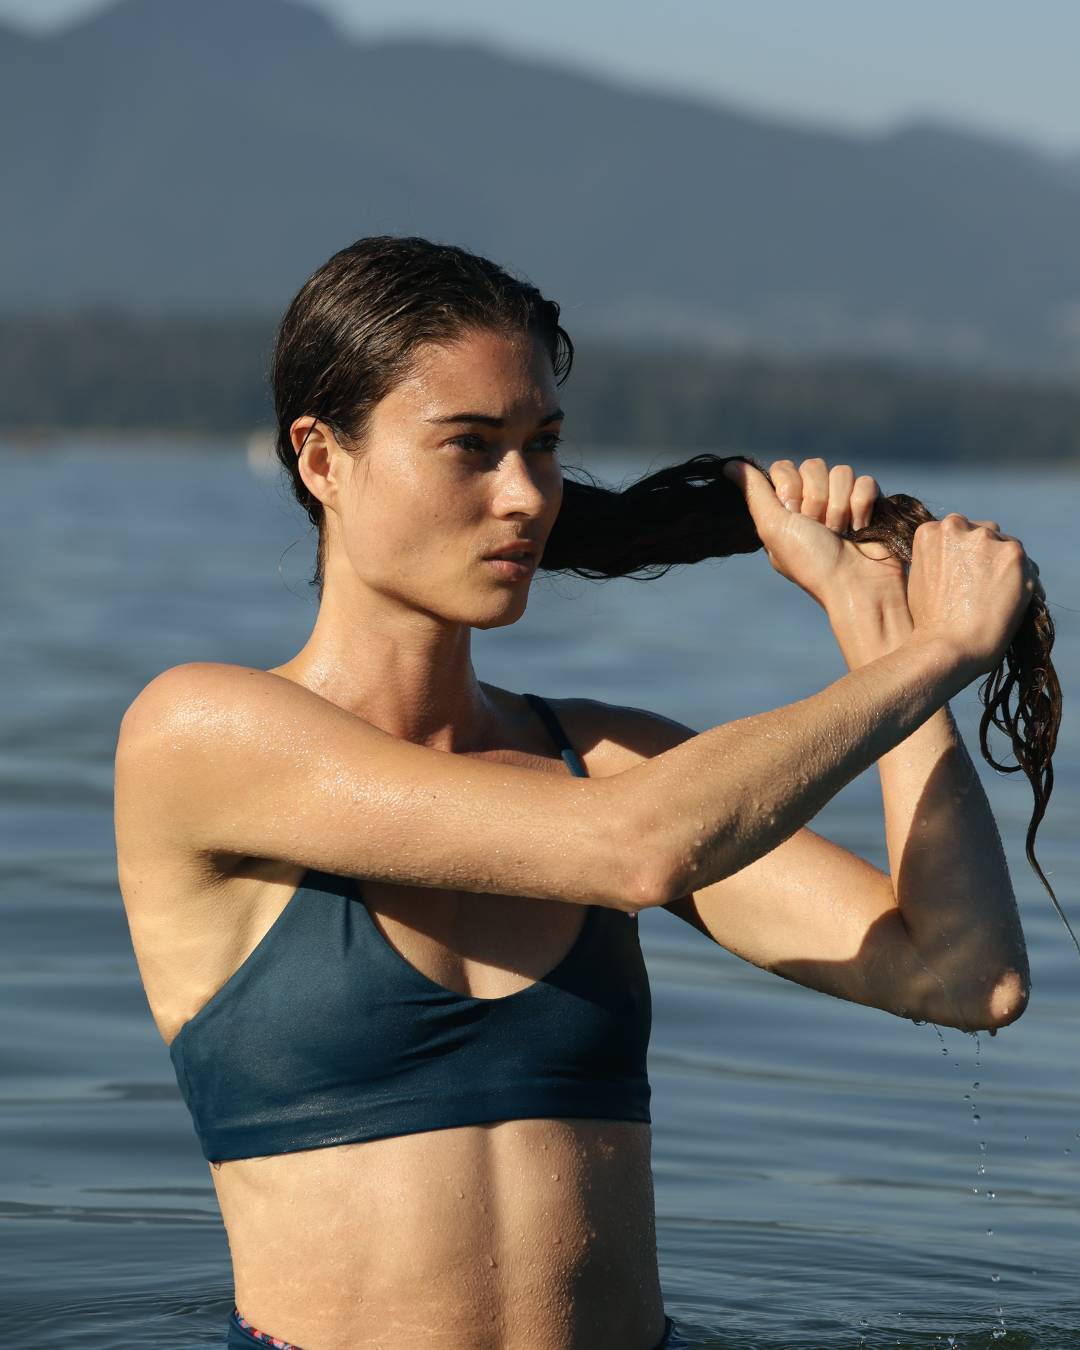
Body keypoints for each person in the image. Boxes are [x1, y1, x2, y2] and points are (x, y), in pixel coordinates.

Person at [113, 236, 1033, 1350]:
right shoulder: (202, 732)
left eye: (542, 446)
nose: (526, 498)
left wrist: (877, 628)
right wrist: (934, 656)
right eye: (471, 447)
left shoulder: (601, 758)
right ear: (320, 458)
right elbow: (636, 852)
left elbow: (962, 974)